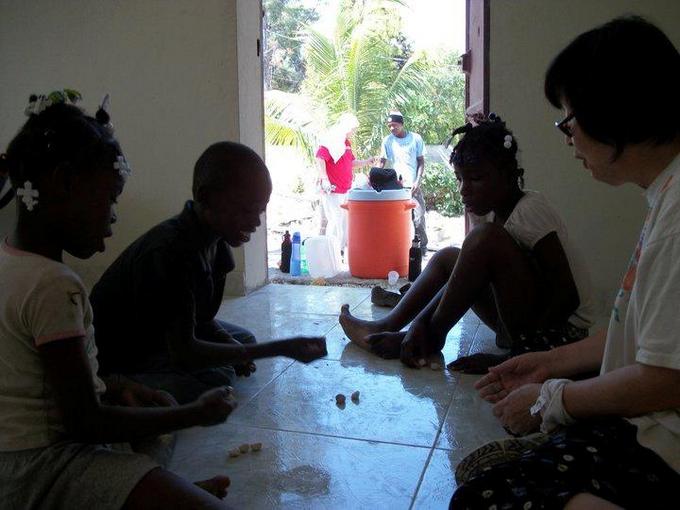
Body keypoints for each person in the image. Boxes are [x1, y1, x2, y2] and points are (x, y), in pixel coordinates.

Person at [454, 16, 680, 509]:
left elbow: (667, 379)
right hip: (646, 426)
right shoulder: (665, 194)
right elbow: (641, 333)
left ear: (615, 114)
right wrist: (546, 366)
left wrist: (554, 398)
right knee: (484, 470)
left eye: (569, 120)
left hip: (665, 450)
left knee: (481, 498)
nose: (567, 136)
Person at [0, 92, 237, 509]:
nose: (113, 216)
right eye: (109, 198)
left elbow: (33, 381)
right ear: (63, 183)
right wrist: (194, 413)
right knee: (168, 427)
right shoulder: (56, 285)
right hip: (44, 469)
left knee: (148, 419)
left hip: (11, 462)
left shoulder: (9, 260)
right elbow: (85, 422)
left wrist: (117, 384)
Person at [340, 115, 594, 373]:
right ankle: (390, 325)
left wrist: (518, 356)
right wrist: (421, 321)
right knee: (449, 257)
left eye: (475, 179)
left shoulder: (529, 210)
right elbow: (463, 279)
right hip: (528, 324)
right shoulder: (498, 214)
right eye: (460, 179)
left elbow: (567, 296)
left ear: (509, 176)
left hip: (561, 334)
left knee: (484, 238)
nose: (463, 189)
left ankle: (431, 337)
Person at [91, 141, 327, 404]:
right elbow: (185, 352)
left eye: (259, 211)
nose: (256, 222)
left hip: (168, 334)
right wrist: (281, 348)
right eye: (245, 210)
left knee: (243, 341)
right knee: (216, 379)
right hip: (126, 351)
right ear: (206, 197)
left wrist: (235, 347)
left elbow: (200, 320)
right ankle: (121, 386)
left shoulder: (215, 244)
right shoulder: (170, 253)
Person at [315, 112, 375, 257]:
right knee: (335, 222)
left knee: (344, 223)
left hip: (345, 189)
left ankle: (339, 251)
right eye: (353, 129)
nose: (354, 132)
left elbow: (350, 163)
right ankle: (330, 254)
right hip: (333, 189)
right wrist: (325, 179)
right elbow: (320, 157)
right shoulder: (331, 140)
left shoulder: (346, 143)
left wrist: (367, 161)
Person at [379, 111, 428, 254]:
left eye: (394, 125)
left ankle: (422, 248)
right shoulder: (387, 141)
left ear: (401, 124)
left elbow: (421, 162)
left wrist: (417, 181)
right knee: (396, 220)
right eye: (389, 126)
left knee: (418, 218)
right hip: (395, 187)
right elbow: (384, 163)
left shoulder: (415, 139)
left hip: (413, 186)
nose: (392, 128)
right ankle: (398, 248)